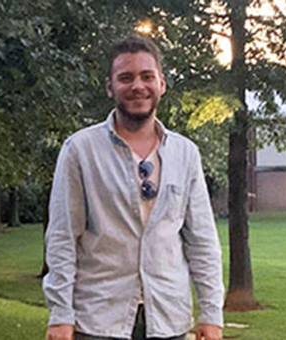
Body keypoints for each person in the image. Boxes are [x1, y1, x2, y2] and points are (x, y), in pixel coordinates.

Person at [43, 36, 224, 340]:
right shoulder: (80, 150)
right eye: (125, 78)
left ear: (161, 84)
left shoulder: (185, 153)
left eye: (147, 76)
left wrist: (211, 313)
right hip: (99, 321)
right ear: (110, 87)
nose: (137, 86)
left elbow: (202, 240)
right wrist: (60, 314)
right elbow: (62, 238)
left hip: (169, 320)